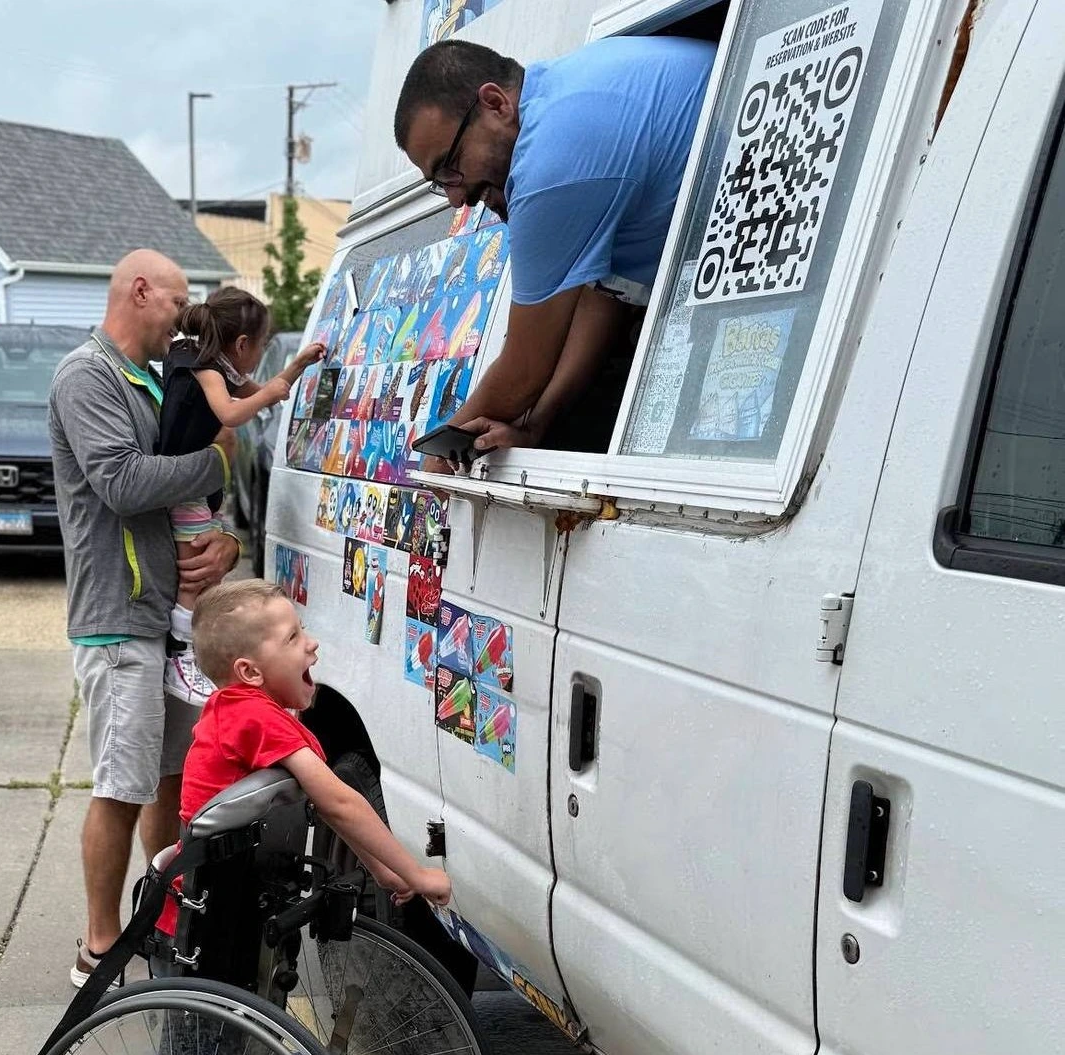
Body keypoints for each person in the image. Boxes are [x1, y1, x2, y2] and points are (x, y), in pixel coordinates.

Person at [49, 249, 243, 988]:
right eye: (177, 301)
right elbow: (125, 484)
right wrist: (219, 463)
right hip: (117, 621)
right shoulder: (86, 376)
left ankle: (163, 924)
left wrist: (224, 540)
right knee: (122, 786)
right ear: (140, 291)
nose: (184, 318)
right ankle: (99, 948)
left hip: (165, 620)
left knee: (167, 782)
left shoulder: (152, 379)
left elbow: (188, 503)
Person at [394, 35, 715, 462]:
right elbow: (600, 300)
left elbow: (523, 370)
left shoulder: (549, 167)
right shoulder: (562, 92)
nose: (457, 198)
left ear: (495, 104)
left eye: (451, 166)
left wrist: (438, 454)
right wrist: (538, 422)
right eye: (441, 183)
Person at [182, 579, 452, 907]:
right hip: (204, 919)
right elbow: (339, 803)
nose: (311, 644)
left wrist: (383, 871)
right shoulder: (255, 718)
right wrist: (416, 874)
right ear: (250, 672)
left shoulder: (238, 710)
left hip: (223, 901)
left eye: (303, 629)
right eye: (292, 638)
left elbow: (332, 805)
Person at [158, 286, 325, 705]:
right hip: (181, 489)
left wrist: (299, 365)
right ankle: (180, 658)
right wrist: (269, 395)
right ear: (242, 344)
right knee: (194, 576)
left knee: (206, 573)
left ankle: (187, 653)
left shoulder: (219, 364)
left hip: (196, 488)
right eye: (262, 345)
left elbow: (265, 388)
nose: (263, 352)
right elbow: (231, 412)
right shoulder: (202, 367)